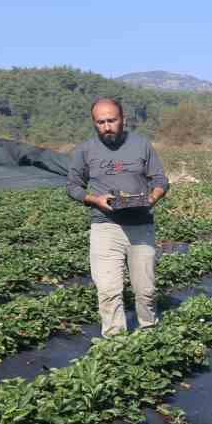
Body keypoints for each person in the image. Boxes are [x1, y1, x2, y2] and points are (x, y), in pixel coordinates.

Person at [66, 97, 170, 336]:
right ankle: (115, 342)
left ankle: (149, 333)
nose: (106, 127)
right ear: (94, 123)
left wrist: (152, 197)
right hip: (105, 226)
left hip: (140, 224)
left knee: (146, 290)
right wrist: (95, 199)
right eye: (100, 122)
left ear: (123, 119)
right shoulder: (85, 150)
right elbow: (73, 186)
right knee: (108, 290)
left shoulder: (141, 145)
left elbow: (160, 180)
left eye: (111, 120)